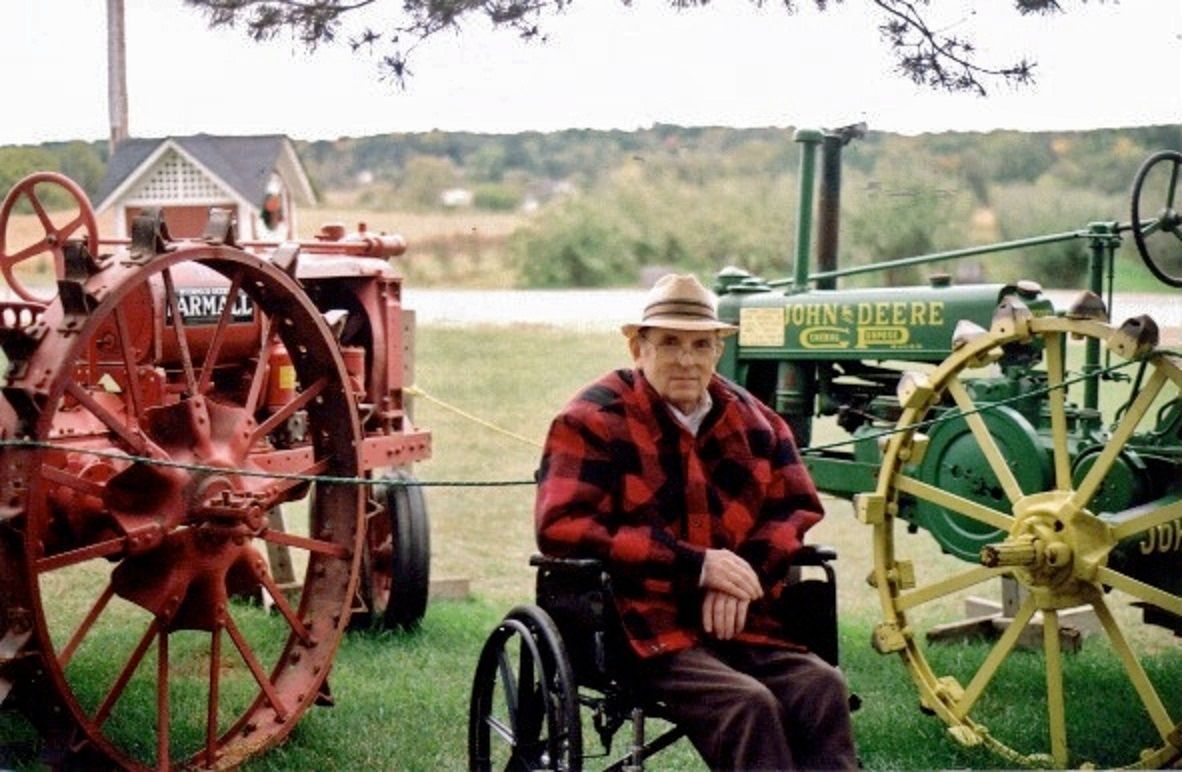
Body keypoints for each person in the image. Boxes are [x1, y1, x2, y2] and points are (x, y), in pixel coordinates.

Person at [536, 273, 857, 771]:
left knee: (821, 687)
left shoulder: (756, 421)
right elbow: (562, 526)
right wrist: (695, 567)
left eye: (700, 345)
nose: (687, 360)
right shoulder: (590, 421)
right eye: (669, 343)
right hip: (638, 625)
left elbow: (796, 507)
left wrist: (739, 575)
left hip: (742, 621)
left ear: (717, 349)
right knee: (747, 705)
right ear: (637, 346)